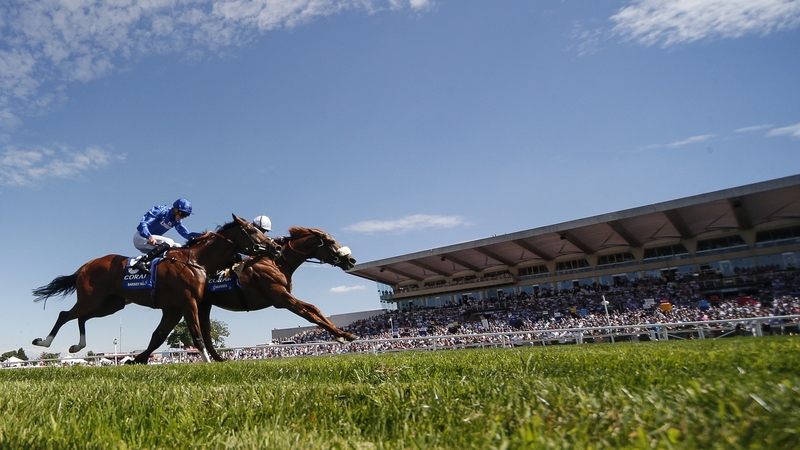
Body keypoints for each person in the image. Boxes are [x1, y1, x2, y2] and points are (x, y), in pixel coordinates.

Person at [132, 198, 202, 273]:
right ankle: (141, 262)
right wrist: (149, 236)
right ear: (175, 209)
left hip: (152, 242)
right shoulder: (161, 210)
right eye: (182, 214)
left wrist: (205, 235)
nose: (182, 217)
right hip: (141, 237)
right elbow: (143, 224)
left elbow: (187, 234)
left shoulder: (176, 221)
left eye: (186, 215)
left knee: (178, 247)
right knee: (169, 241)